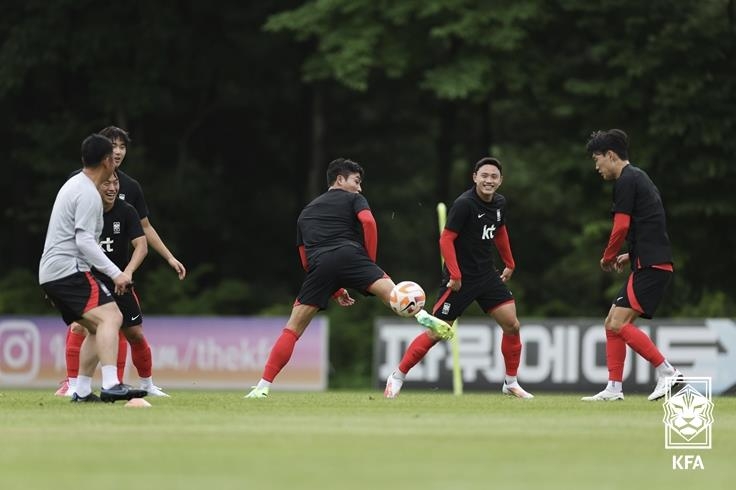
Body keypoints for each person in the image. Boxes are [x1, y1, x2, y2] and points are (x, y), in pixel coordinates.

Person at [245, 158, 454, 398]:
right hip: (351, 256)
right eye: (356, 181)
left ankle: (262, 386)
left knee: (292, 330)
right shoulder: (354, 199)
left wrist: (335, 290)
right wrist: (370, 263)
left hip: (320, 265)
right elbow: (369, 222)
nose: (360, 187)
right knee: (395, 295)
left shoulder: (305, 213)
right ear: (340, 179)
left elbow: (304, 260)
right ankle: (421, 314)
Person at [385, 157, 534, 399]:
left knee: (512, 324)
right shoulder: (465, 204)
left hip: (487, 275)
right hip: (460, 280)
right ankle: (397, 376)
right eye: (484, 175)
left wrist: (510, 262)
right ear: (475, 177)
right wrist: (454, 274)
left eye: (494, 176)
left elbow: (500, 231)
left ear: (500, 180)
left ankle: (510, 382)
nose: (489, 180)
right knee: (437, 332)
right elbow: (446, 239)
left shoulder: (500, 203)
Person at [39, 133, 147, 403]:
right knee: (112, 317)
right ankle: (111, 383)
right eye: (114, 155)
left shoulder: (74, 184)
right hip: (69, 269)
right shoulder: (87, 193)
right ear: (107, 161)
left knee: (95, 327)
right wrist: (117, 273)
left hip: (55, 271)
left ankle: (83, 390)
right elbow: (84, 241)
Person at [581, 129, 682, 401]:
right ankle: (614, 388)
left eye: (597, 159)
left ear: (611, 156)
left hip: (652, 266)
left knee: (619, 323)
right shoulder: (639, 177)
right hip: (650, 261)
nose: (596, 166)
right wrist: (630, 253)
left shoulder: (626, 180)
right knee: (611, 322)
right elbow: (650, 222)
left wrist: (608, 255)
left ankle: (668, 372)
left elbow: (622, 225)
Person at [57, 172, 170, 398]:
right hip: (90, 280)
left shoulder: (126, 210)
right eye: (106, 183)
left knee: (135, 334)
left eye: (115, 183)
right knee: (81, 327)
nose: (112, 187)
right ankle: (76, 385)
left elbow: (142, 246)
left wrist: (127, 272)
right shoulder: (84, 210)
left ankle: (147, 384)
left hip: (119, 281)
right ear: (94, 186)